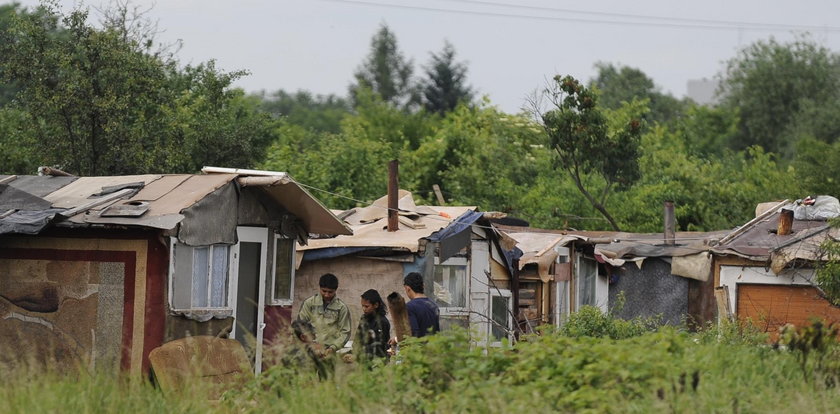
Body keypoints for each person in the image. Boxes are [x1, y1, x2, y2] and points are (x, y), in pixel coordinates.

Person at [297, 273, 352, 357]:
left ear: (336, 290)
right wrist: (311, 344)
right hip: (310, 348)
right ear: (319, 288)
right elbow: (300, 326)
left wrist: (333, 348)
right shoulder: (309, 303)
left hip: (329, 351)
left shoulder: (341, 308)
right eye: (324, 291)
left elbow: (345, 332)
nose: (327, 295)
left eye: (330, 292)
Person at [353, 289, 391, 363]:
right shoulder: (363, 318)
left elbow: (379, 348)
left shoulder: (382, 322)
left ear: (376, 305)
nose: (364, 309)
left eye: (367, 306)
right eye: (362, 306)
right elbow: (357, 339)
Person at [403, 272, 440, 337]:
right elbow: (437, 331)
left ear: (407, 288)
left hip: (419, 346)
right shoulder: (434, 305)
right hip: (435, 346)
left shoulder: (410, 307)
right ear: (423, 285)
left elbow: (414, 333)